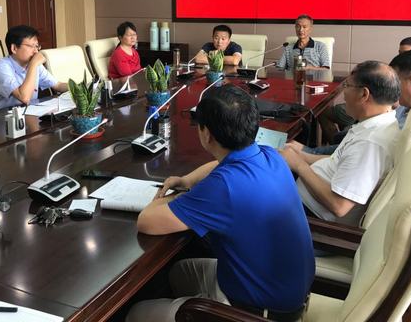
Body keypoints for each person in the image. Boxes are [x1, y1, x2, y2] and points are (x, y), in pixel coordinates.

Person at [127, 85, 314, 322]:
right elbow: (221, 165)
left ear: (206, 134)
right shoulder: (271, 156)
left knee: (134, 314)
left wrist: (175, 196)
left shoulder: (222, 188)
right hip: (288, 292)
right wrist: (186, 181)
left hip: (259, 312)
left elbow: (146, 222)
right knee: (177, 273)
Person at [280, 61, 401, 227]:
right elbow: (339, 161)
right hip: (302, 197)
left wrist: (299, 165)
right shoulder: (377, 123)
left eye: (347, 85)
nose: (344, 93)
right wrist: (301, 155)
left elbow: (339, 206)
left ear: (364, 94)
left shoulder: (370, 143)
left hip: (308, 216)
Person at [318, 35, 411, 144]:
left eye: (406, 53)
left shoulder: (410, 80)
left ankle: (338, 144)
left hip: (375, 112)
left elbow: (391, 103)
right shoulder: (395, 68)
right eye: (400, 52)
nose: (401, 57)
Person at [0, 25, 67, 112]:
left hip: (26, 112)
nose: (36, 51)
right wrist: (33, 64)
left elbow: (58, 85)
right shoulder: (1, 68)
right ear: (14, 48)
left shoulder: (34, 64)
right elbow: (24, 98)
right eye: (31, 46)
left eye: (37, 46)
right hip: (0, 117)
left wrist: (76, 87)